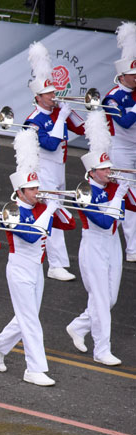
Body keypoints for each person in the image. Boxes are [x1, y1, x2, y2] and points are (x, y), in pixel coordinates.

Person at [0, 129, 75, 387]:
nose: (37, 191)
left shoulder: (40, 206)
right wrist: (48, 210)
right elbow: (31, 235)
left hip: (37, 267)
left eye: (37, 187)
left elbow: (68, 225)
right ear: (20, 191)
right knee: (31, 320)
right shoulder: (12, 211)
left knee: (27, 316)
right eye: (32, 188)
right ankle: (34, 369)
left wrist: (57, 205)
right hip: (19, 269)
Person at [65, 111, 131, 366]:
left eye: (109, 167)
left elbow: (127, 211)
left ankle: (79, 326)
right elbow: (103, 221)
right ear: (92, 172)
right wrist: (118, 196)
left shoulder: (112, 187)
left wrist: (122, 190)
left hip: (112, 242)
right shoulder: (83, 193)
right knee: (102, 301)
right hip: (94, 244)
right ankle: (101, 350)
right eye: (104, 169)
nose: (110, 171)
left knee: (110, 298)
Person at [26, 41, 85, 281]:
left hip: (59, 168)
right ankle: (56, 264)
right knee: (51, 211)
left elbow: (81, 128)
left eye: (54, 92)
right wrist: (60, 118)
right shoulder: (33, 120)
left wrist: (69, 113)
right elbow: (50, 144)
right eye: (49, 94)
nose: (54, 96)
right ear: (38, 97)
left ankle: (52, 259)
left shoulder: (57, 112)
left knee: (56, 210)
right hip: (44, 170)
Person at [104, 22, 136, 262]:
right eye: (133, 76)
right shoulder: (111, 98)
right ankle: (132, 248)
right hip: (122, 149)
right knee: (127, 192)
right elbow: (124, 122)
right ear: (122, 76)